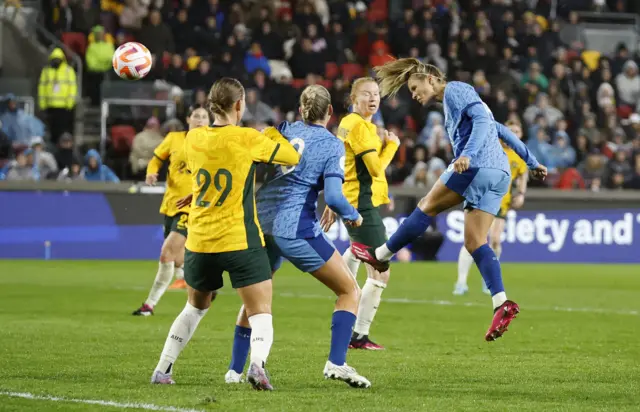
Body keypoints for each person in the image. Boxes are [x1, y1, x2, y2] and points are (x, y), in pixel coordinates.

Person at [350, 58, 547, 342]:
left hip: (476, 165)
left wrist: (467, 153)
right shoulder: (455, 100)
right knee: (475, 241)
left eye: (416, 88)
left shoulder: (456, 89)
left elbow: (481, 122)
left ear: (431, 78)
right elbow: (499, 129)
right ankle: (501, 302)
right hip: (500, 175)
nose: (415, 95)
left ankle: (381, 255)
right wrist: (531, 161)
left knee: (426, 206)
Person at [150, 78, 300, 390]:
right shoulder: (247, 137)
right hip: (238, 238)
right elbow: (291, 157)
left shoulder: (193, 139)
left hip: (200, 240)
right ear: (239, 105)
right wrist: (270, 133)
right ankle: (257, 366)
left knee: (195, 307)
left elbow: (207, 177)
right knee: (260, 310)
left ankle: (163, 368)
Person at [224, 85, 370, 388]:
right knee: (349, 291)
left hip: (260, 224)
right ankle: (336, 363)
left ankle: (234, 371)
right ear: (330, 112)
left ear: (301, 110)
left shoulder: (283, 130)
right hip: (295, 229)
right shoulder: (332, 145)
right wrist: (353, 215)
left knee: (257, 299)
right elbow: (334, 194)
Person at [319, 77, 399, 351]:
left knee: (357, 252)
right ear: (354, 98)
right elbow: (376, 169)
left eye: (376, 94)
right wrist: (392, 146)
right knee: (380, 271)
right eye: (366, 94)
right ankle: (358, 334)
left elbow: (345, 165)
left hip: (355, 199)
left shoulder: (346, 124)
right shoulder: (361, 127)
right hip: (360, 205)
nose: (373, 98)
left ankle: (343, 292)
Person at [132, 105, 211, 317]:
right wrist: (151, 173)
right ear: (188, 119)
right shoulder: (175, 138)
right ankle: (202, 285)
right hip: (171, 204)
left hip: (193, 207)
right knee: (177, 260)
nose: (201, 120)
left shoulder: (213, 143)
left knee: (167, 253)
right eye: (197, 116)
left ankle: (149, 305)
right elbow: (157, 159)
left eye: (205, 117)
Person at [455, 120, 529, 296]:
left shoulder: (519, 156)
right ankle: (461, 282)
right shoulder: (491, 148)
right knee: (473, 240)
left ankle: (487, 277)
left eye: (517, 131)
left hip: (501, 203)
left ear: (521, 135)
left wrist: (521, 194)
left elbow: (523, 176)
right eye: (511, 130)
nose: (514, 134)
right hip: (481, 199)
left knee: (495, 240)